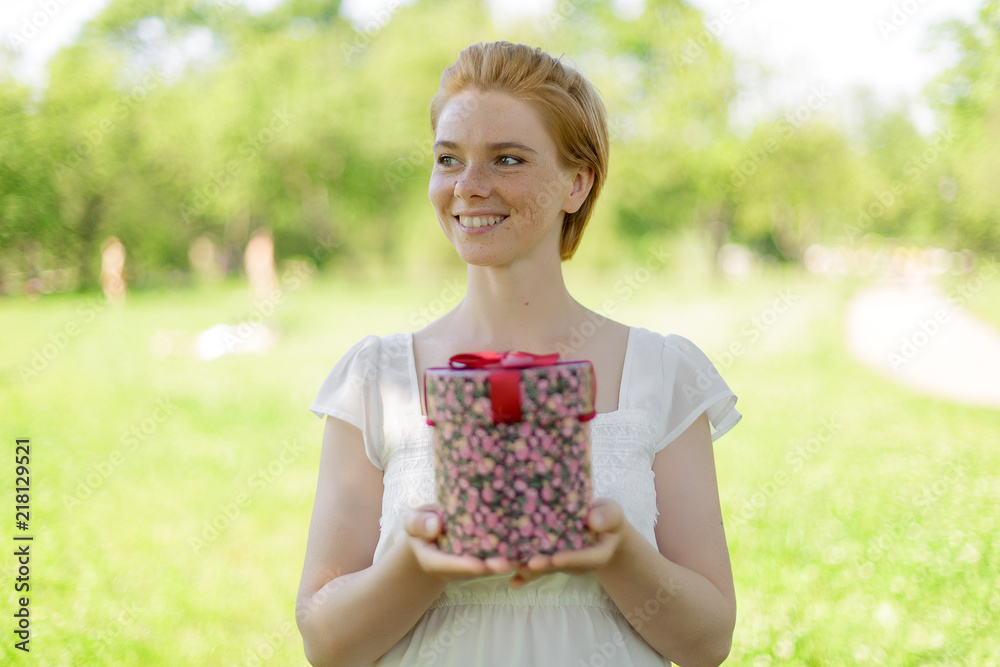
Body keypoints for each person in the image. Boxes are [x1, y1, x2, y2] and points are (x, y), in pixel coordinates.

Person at [296, 41, 741, 667]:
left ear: (577, 183)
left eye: (507, 159)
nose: (469, 186)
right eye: (448, 159)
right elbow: (327, 645)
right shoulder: (375, 379)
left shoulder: (663, 374)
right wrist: (423, 564)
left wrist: (616, 552)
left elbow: (707, 644)